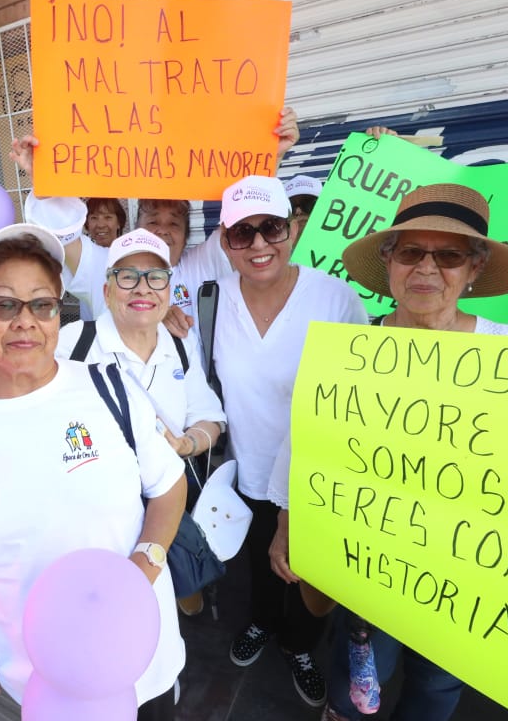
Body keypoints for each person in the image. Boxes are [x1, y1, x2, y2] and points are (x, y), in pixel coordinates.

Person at [267, 182, 508, 721]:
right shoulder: (350, 349)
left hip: (467, 575)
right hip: (370, 558)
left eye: (450, 255)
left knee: (437, 687)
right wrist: (286, 519)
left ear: (474, 268)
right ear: (389, 263)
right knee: (358, 671)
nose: (427, 269)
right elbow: (305, 439)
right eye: (411, 251)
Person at [0, 223, 187, 718]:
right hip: (34, 674)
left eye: (41, 304)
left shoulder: (111, 388)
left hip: (142, 656)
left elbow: (168, 486)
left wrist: (138, 573)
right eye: (3, 304)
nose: (25, 321)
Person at [0, 229, 228, 617]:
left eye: (155, 277)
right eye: (128, 276)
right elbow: (14, 367)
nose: (143, 288)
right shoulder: (72, 338)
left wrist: (186, 445)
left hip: (166, 489)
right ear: (106, 291)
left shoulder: (179, 341)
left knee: (175, 588)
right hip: (94, 499)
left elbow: (210, 414)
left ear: (169, 289)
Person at [198, 175, 367, 708]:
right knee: (260, 563)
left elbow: (362, 385)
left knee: (312, 577)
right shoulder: (209, 301)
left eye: (270, 228)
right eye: (241, 234)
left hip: (320, 472)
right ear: (224, 242)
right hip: (249, 468)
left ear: (293, 227)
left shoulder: (333, 296)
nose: (259, 245)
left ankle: (299, 646)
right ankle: (262, 623)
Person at [13, 107, 303, 333]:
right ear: (136, 227)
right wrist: (47, 183)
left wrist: (269, 156)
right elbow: (64, 239)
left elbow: (248, 212)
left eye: (174, 223)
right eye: (153, 220)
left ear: (187, 235)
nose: (163, 230)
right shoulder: (105, 266)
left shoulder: (202, 265)